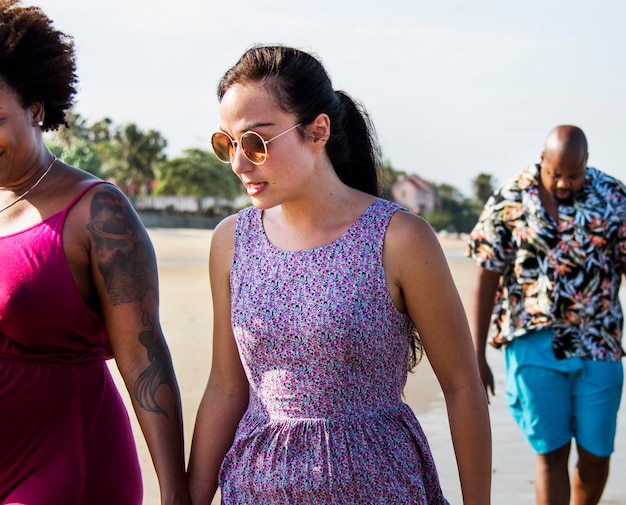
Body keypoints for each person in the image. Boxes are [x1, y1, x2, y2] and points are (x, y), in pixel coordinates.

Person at [187, 44, 491, 505]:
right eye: (227, 144)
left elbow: (463, 386)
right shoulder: (231, 241)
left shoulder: (399, 238)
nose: (239, 163)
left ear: (318, 130)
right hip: (255, 488)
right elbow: (226, 388)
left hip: (378, 487)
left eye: (255, 142)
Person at [0, 2, 191, 504]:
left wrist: (175, 492)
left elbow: (144, 355)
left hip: (62, 459)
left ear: (36, 108)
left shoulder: (98, 211)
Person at [467, 125, 625, 505]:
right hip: (533, 343)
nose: (564, 183)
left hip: (598, 341)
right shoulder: (510, 199)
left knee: (596, 457)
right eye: (556, 174)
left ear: (586, 164)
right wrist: (476, 355)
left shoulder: (613, 197)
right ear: (543, 160)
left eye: (574, 175)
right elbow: (486, 277)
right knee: (552, 455)